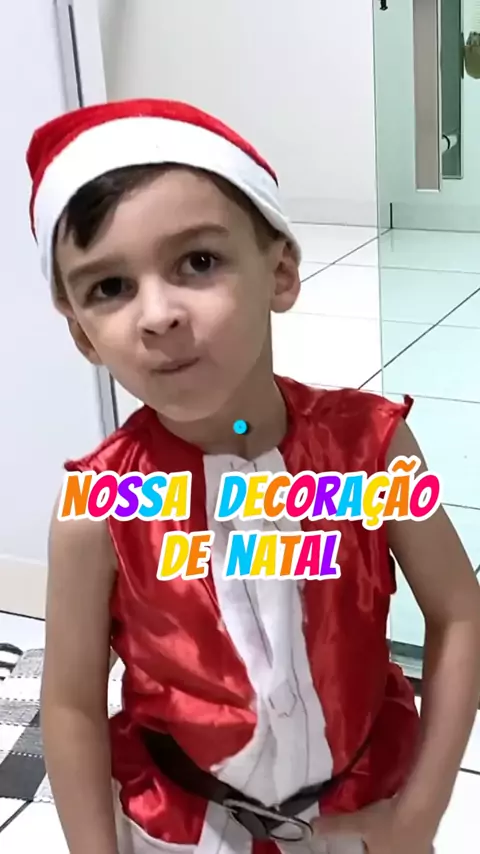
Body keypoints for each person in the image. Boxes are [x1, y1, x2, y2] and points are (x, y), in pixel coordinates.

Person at [27, 99, 480, 854]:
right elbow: (71, 704)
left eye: (198, 262)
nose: (158, 315)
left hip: (364, 813)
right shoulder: (97, 508)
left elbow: (459, 610)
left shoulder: (369, 450)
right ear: (82, 334)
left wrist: (418, 817)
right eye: (109, 288)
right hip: (179, 827)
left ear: (281, 271)